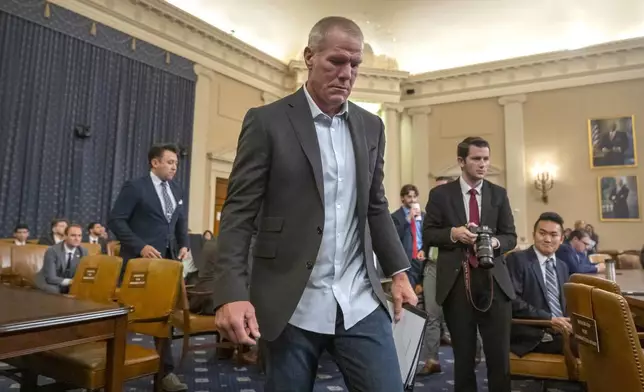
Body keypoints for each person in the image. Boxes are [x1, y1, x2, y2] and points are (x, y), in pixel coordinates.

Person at [212, 16, 416, 392]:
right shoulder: (267, 121)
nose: (346, 74)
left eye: (354, 65)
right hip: (291, 300)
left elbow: (375, 205)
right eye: (336, 62)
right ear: (309, 56)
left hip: (358, 299)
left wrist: (398, 272)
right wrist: (232, 293)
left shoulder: (372, 127)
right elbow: (239, 214)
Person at [423, 136, 517, 392]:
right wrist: (454, 234)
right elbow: (429, 234)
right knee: (463, 359)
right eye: (476, 159)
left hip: (494, 283)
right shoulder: (441, 195)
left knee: (499, 359)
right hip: (457, 284)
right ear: (461, 161)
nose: (483, 164)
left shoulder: (498, 194)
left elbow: (511, 237)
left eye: (486, 159)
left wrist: (493, 243)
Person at [108, 143, 189, 392]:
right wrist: (140, 246)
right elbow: (116, 220)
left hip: (167, 265)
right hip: (139, 264)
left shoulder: (176, 189)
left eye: (176, 163)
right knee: (128, 320)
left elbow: (179, 221)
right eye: (170, 162)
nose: (175, 167)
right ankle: (112, 368)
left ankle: (165, 374)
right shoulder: (136, 187)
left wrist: (184, 244)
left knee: (164, 318)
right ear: (155, 162)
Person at [507, 212, 573, 357]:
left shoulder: (562, 266)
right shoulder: (517, 260)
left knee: (603, 339)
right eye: (542, 233)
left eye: (554, 235)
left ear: (561, 239)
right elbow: (513, 302)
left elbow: (565, 304)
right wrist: (549, 319)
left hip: (561, 328)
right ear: (534, 234)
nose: (548, 239)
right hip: (534, 332)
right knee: (588, 348)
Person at [34, 224, 87, 294]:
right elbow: (51, 278)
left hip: (70, 283)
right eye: (73, 235)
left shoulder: (83, 251)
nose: (77, 239)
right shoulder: (52, 251)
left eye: (79, 235)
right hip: (48, 282)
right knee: (53, 290)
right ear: (65, 236)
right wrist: (72, 281)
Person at [391, 184, 425, 288]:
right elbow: (394, 237)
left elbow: (427, 235)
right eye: (409, 197)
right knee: (408, 293)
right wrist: (408, 219)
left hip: (422, 257)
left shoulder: (423, 216)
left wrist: (424, 249)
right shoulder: (395, 217)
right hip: (407, 261)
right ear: (402, 198)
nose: (412, 200)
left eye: (414, 197)